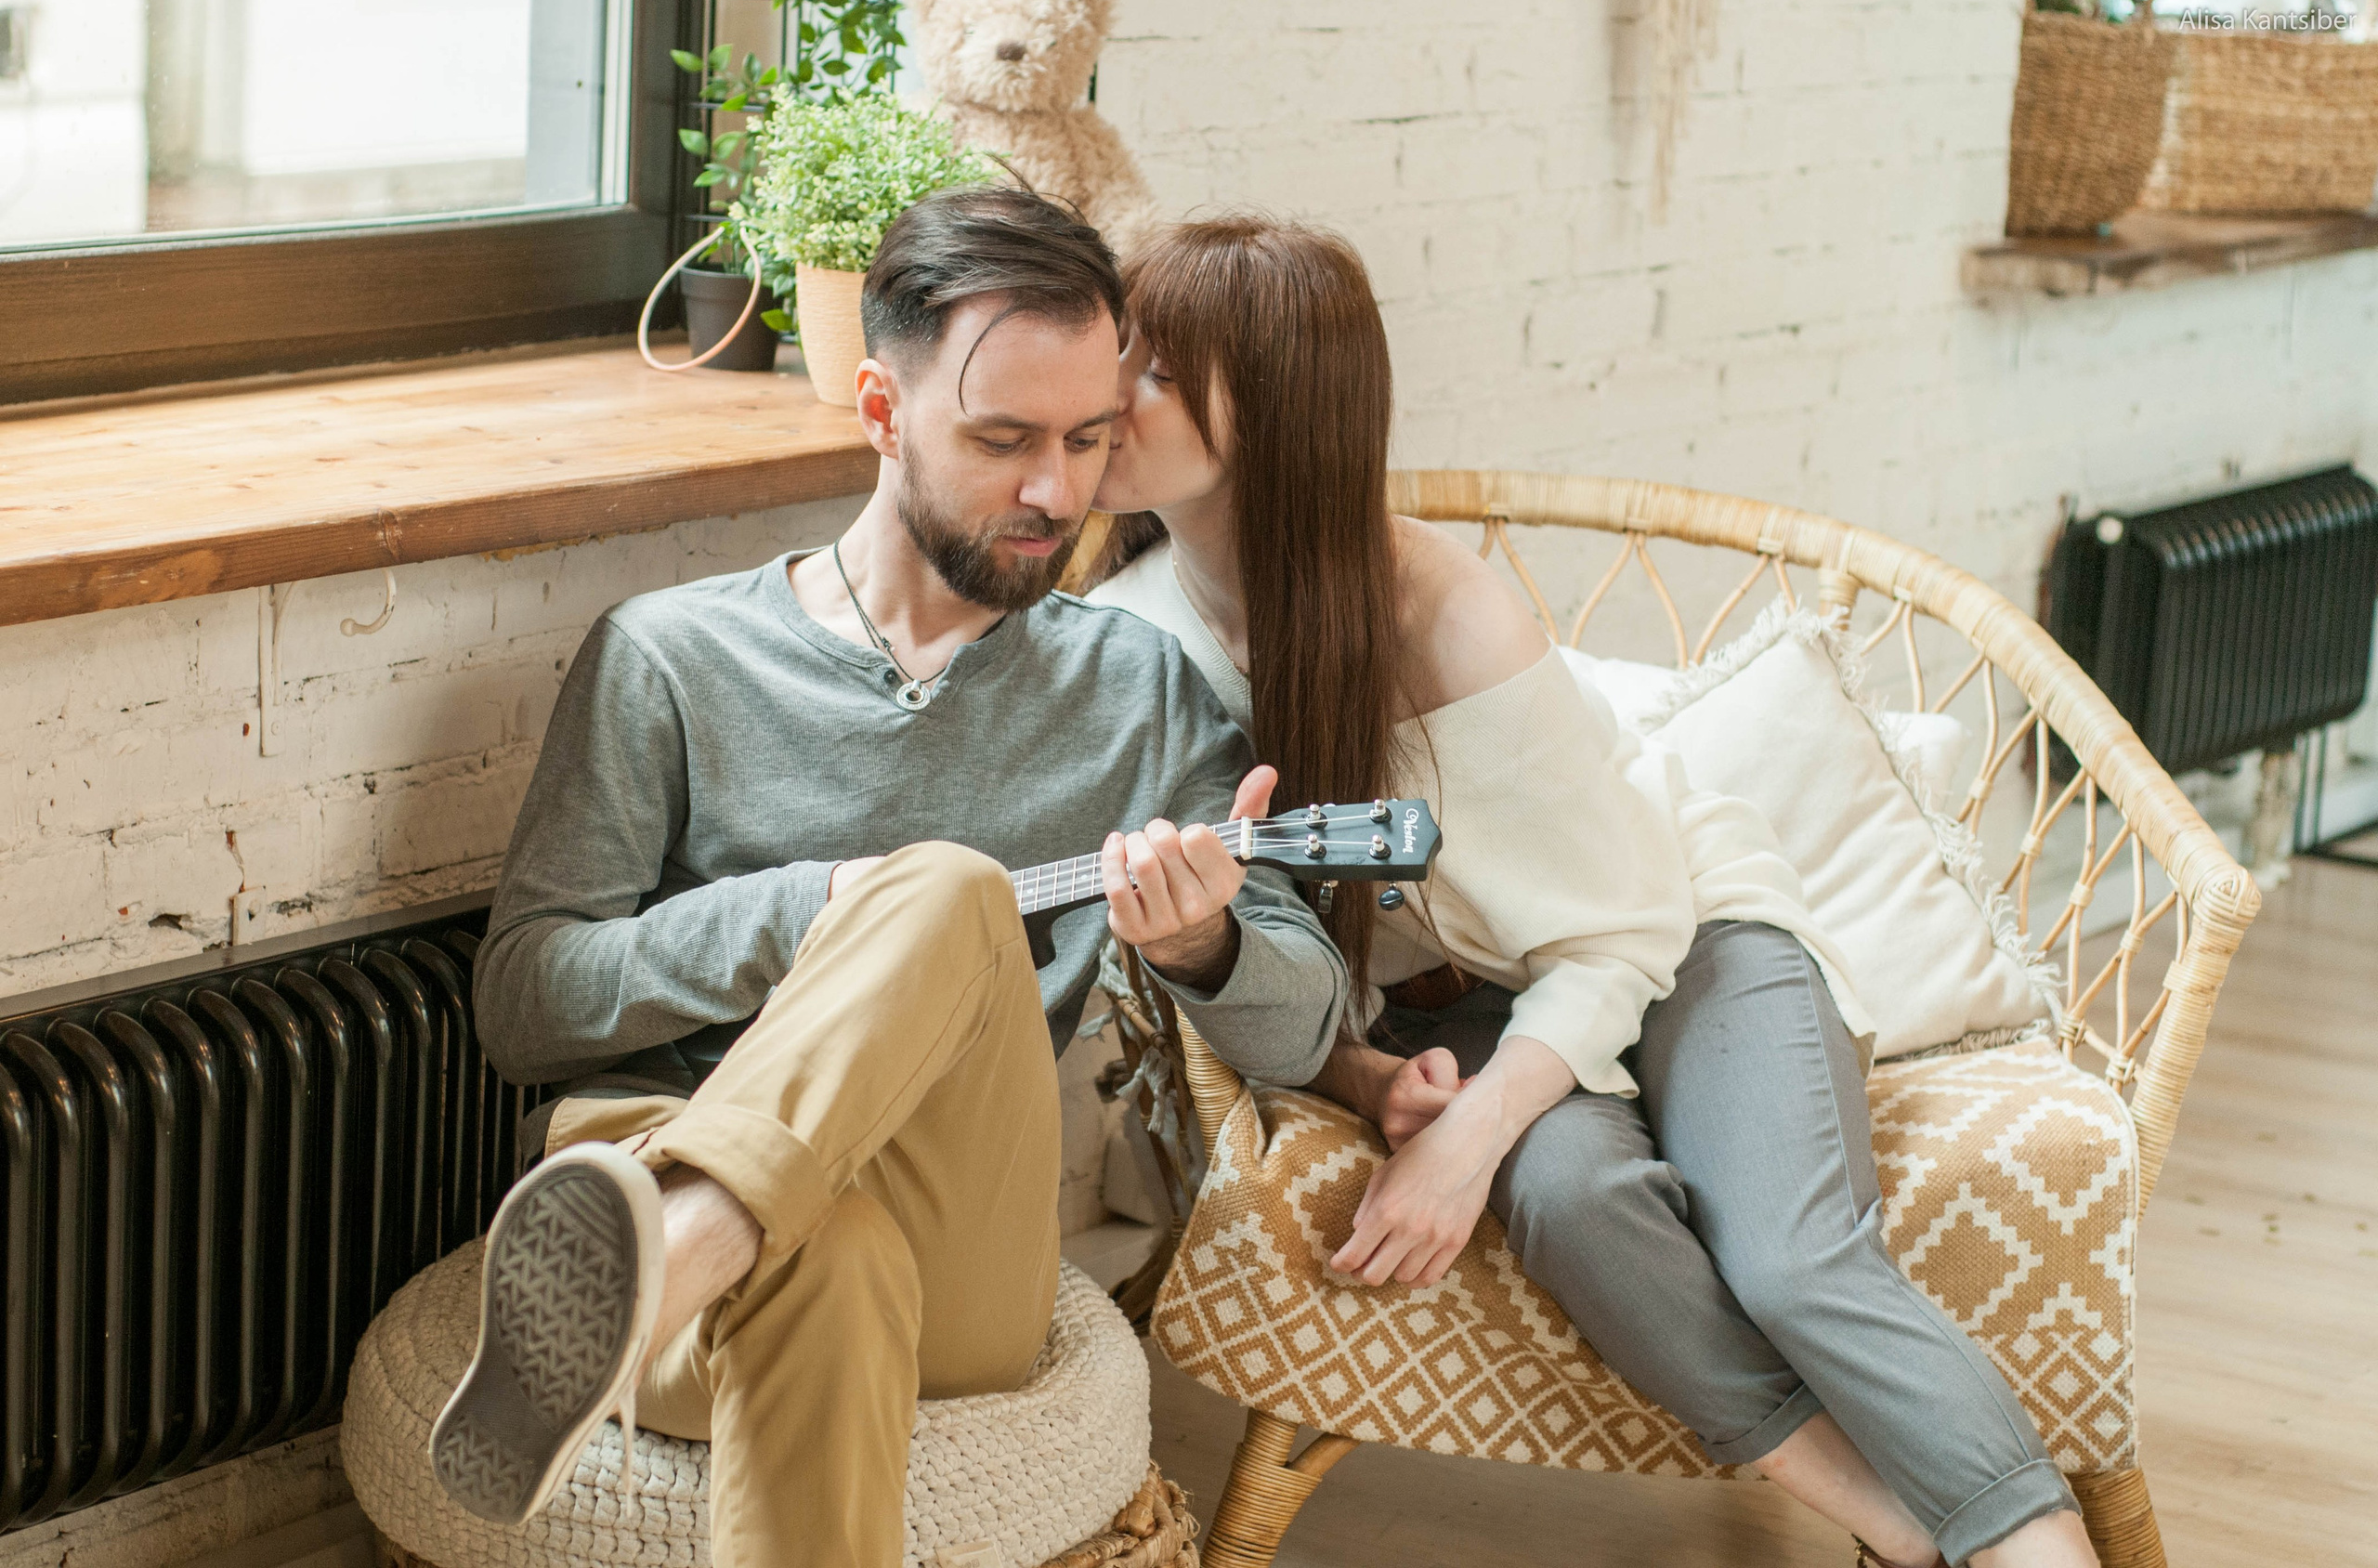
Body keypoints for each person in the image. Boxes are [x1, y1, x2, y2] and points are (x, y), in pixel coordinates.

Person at [1083, 215, 2098, 1568]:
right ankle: (1909, 1529)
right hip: (1469, 1014)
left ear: (1269, 410)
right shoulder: (1130, 634)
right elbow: (1256, 946)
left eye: (1153, 368)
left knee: (1794, 1263)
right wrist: (1373, 1084)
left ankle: (2039, 1548)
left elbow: (1625, 927)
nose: (1109, 392)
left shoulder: (1443, 614)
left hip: (1685, 938)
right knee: (1572, 1202)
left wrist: (1462, 1140)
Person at [435, 189, 1349, 1568]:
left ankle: (676, 1257)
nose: (1056, 491)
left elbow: (1309, 1025)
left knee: (947, 891)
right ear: (879, 409)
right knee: (832, 1254)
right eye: (1002, 441)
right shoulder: (672, 658)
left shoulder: (1136, 692)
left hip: (951, 1247)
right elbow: (524, 1003)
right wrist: (801, 913)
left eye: (1088, 440)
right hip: (643, 1170)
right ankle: (707, 1228)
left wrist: (1207, 947)